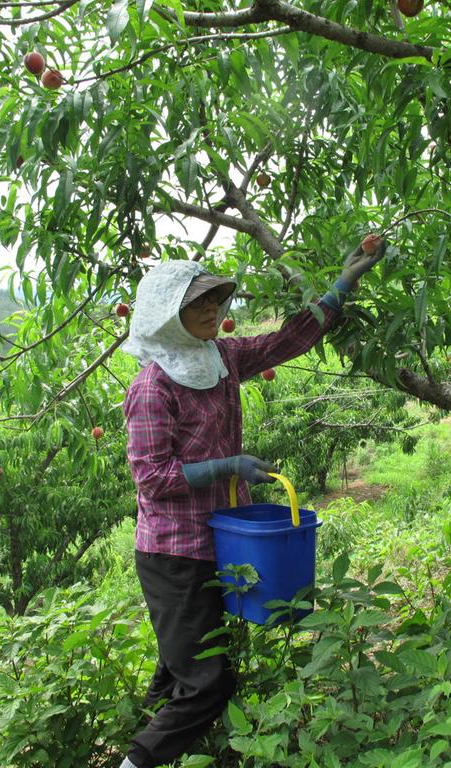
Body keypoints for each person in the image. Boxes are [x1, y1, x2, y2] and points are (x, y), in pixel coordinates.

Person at [118, 237, 387, 768]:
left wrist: (343, 283)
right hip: (174, 553)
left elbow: (285, 341)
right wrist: (227, 466)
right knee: (207, 682)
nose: (212, 312)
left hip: (215, 540)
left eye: (215, 301)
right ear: (166, 314)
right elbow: (152, 478)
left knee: (186, 664)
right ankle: (136, 761)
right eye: (197, 304)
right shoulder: (153, 386)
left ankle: (166, 745)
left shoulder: (217, 358)